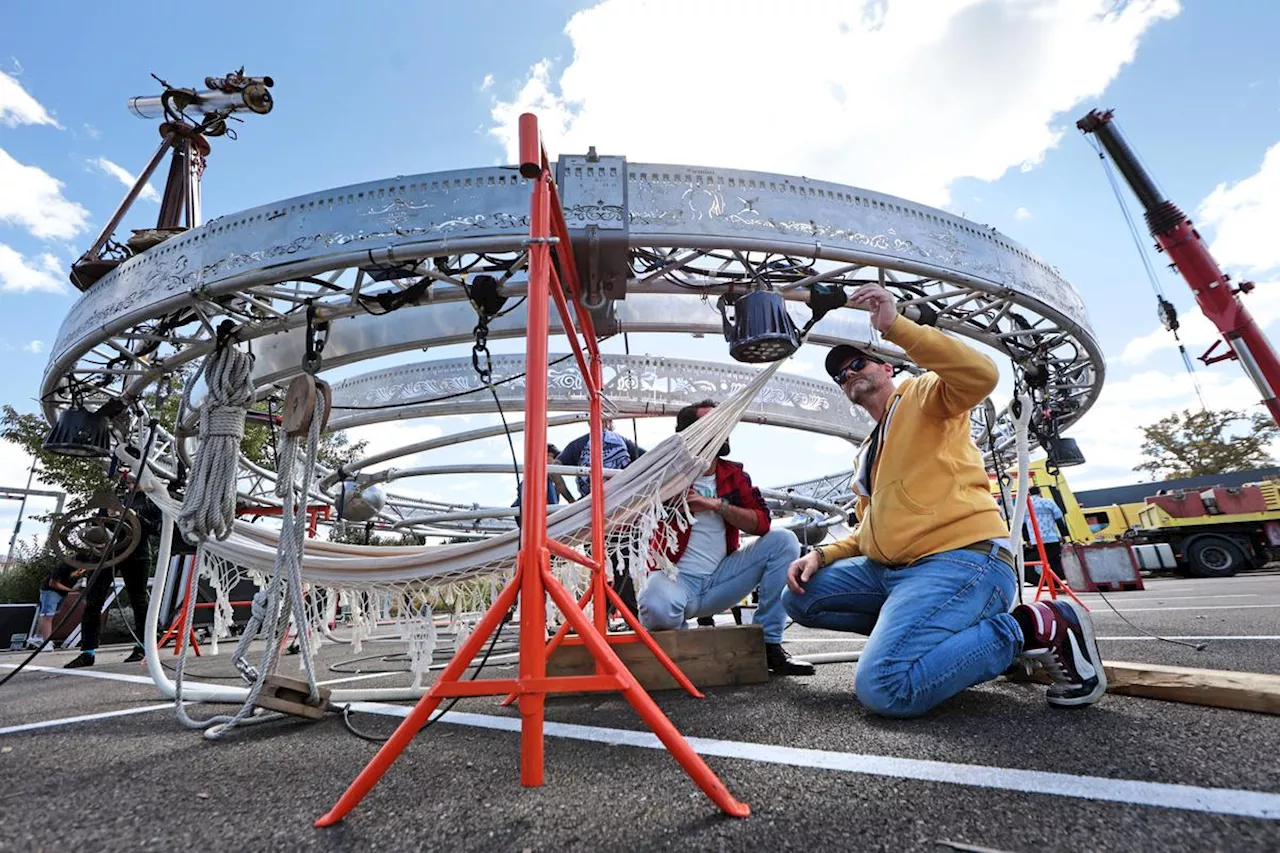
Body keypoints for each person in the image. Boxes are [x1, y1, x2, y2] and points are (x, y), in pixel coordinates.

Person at [781, 283, 1105, 716]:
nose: (849, 375)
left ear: (887, 368)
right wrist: (820, 555)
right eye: (841, 375)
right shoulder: (868, 451)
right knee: (798, 597)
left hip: (958, 559)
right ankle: (948, 639)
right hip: (892, 571)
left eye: (858, 363)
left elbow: (982, 376)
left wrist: (896, 326)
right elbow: (867, 531)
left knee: (885, 688)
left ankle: (1034, 627)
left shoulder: (923, 394)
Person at [637, 400, 814, 676]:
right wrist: (674, 499)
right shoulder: (664, 475)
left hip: (722, 579)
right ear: (689, 433)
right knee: (654, 604)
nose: (723, 429)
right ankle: (685, 647)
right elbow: (632, 508)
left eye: (724, 423)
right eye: (712, 423)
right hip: (676, 579)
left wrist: (717, 505)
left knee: (784, 541)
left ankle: (769, 645)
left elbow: (762, 523)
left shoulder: (733, 474)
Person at [65, 485, 163, 668]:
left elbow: (157, 528)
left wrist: (134, 517)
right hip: (106, 554)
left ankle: (143, 646)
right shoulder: (113, 494)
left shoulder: (152, 498)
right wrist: (105, 518)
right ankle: (87, 651)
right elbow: (96, 525)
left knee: (139, 600)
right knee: (93, 600)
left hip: (137, 554)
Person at [558, 420, 645, 615]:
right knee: (623, 567)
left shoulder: (578, 445)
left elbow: (554, 469)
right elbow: (648, 459)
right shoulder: (624, 442)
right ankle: (625, 615)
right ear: (611, 423)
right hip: (620, 513)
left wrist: (573, 501)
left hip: (591, 515)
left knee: (598, 569)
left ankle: (604, 612)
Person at [28, 555, 83, 649]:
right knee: (47, 615)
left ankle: (38, 637)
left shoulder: (84, 567)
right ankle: (45, 643)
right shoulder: (63, 566)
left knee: (47, 614)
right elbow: (52, 583)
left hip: (62, 592)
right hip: (50, 591)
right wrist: (71, 590)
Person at [1022, 486, 1069, 585]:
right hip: (1051, 537)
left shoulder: (1025, 505)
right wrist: (1064, 535)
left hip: (1036, 540)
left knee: (1043, 561)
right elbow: (1059, 519)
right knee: (1054, 561)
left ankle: (1048, 582)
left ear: (1029, 494)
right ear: (1040, 492)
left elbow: (1023, 524)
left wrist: (1027, 540)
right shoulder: (1049, 502)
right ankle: (1056, 584)